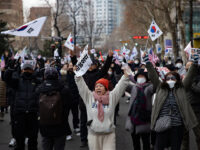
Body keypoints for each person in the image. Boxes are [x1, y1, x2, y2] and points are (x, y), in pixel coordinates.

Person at [143, 54, 198, 150]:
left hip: (177, 126)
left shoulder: (181, 88)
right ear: (164, 80)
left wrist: (195, 63)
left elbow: (189, 77)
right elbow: (153, 76)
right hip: (162, 124)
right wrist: (148, 62)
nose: (170, 80)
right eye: (168, 78)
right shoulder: (160, 88)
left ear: (177, 80)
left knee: (176, 147)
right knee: (159, 147)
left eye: (173, 78)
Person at [75, 67, 129, 150]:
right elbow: (82, 87)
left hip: (109, 135)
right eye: (97, 86)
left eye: (101, 86)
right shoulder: (89, 97)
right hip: (93, 135)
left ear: (106, 88)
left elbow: (120, 87)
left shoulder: (112, 97)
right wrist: (78, 76)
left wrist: (125, 76)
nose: (98, 88)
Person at [70, 50, 113, 147]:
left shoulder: (99, 73)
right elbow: (77, 66)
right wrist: (72, 57)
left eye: (92, 64)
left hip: (96, 103)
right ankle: (83, 139)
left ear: (96, 65)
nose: (90, 66)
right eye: (89, 64)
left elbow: (106, 67)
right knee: (83, 121)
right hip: (84, 102)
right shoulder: (83, 73)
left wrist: (109, 57)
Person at [4, 63, 41, 150]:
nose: (27, 71)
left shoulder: (36, 81)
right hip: (20, 113)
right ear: (22, 70)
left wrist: (38, 73)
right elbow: (6, 79)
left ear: (32, 70)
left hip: (33, 113)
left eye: (29, 69)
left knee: (33, 140)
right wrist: (10, 69)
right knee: (19, 140)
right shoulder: (17, 81)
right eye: (25, 69)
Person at [36, 67, 72, 150]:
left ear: (45, 76)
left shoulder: (39, 89)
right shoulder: (64, 89)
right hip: (61, 125)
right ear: (57, 76)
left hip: (44, 126)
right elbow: (69, 104)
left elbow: (36, 105)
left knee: (46, 146)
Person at [126, 69, 153, 150]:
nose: (140, 78)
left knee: (146, 142)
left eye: (142, 76)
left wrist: (154, 74)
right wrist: (123, 74)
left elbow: (157, 85)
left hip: (144, 119)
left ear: (146, 78)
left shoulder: (149, 87)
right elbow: (123, 84)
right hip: (133, 119)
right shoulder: (134, 87)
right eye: (138, 76)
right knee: (135, 143)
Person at [181, 60, 200, 150]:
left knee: (199, 135)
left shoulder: (198, 78)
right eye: (187, 68)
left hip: (196, 110)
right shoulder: (182, 77)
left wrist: (190, 82)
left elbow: (198, 90)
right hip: (184, 109)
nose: (188, 70)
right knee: (183, 137)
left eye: (190, 68)